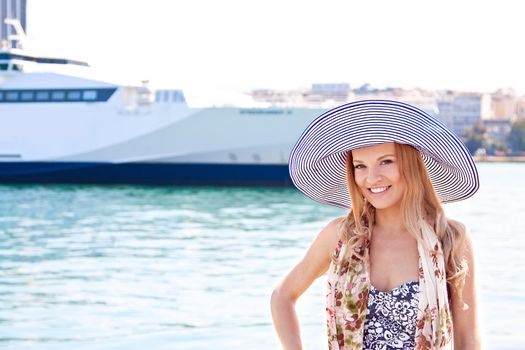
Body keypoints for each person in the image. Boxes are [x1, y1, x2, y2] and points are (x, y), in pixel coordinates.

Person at [271, 100, 481, 350]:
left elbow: (468, 339)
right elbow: (282, 297)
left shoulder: (450, 238)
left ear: (410, 164)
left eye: (386, 162)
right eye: (361, 166)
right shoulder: (340, 237)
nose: (372, 178)